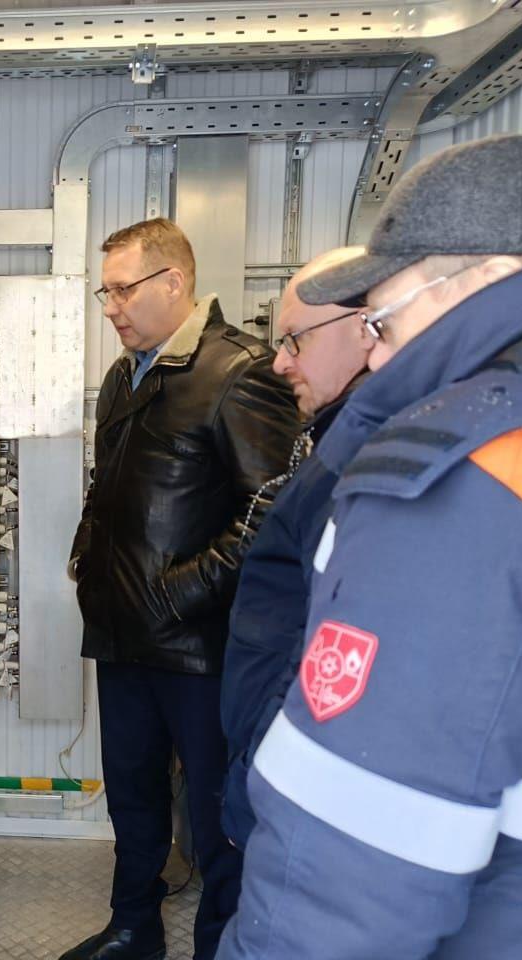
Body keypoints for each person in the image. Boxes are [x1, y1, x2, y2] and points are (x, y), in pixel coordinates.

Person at [218, 134, 522, 959]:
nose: (374, 351)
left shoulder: (470, 488)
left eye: (382, 319)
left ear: (485, 277)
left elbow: (347, 877)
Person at [60, 218, 301, 960]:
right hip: (121, 634)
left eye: (122, 290)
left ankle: (217, 947)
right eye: (105, 293)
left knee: (216, 812)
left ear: (173, 283)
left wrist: (177, 594)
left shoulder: (238, 372)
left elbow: (273, 508)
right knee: (132, 798)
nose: (110, 307)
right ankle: (133, 928)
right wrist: (86, 554)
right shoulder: (122, 376)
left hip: (200, 648)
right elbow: (108, 487)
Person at [219, 246, 374, 848]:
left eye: (295, 341)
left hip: (288, 775)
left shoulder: (363, 463)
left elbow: (322, 647)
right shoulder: (336, 444)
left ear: (364, 327)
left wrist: (257, 775)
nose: (280, 363)